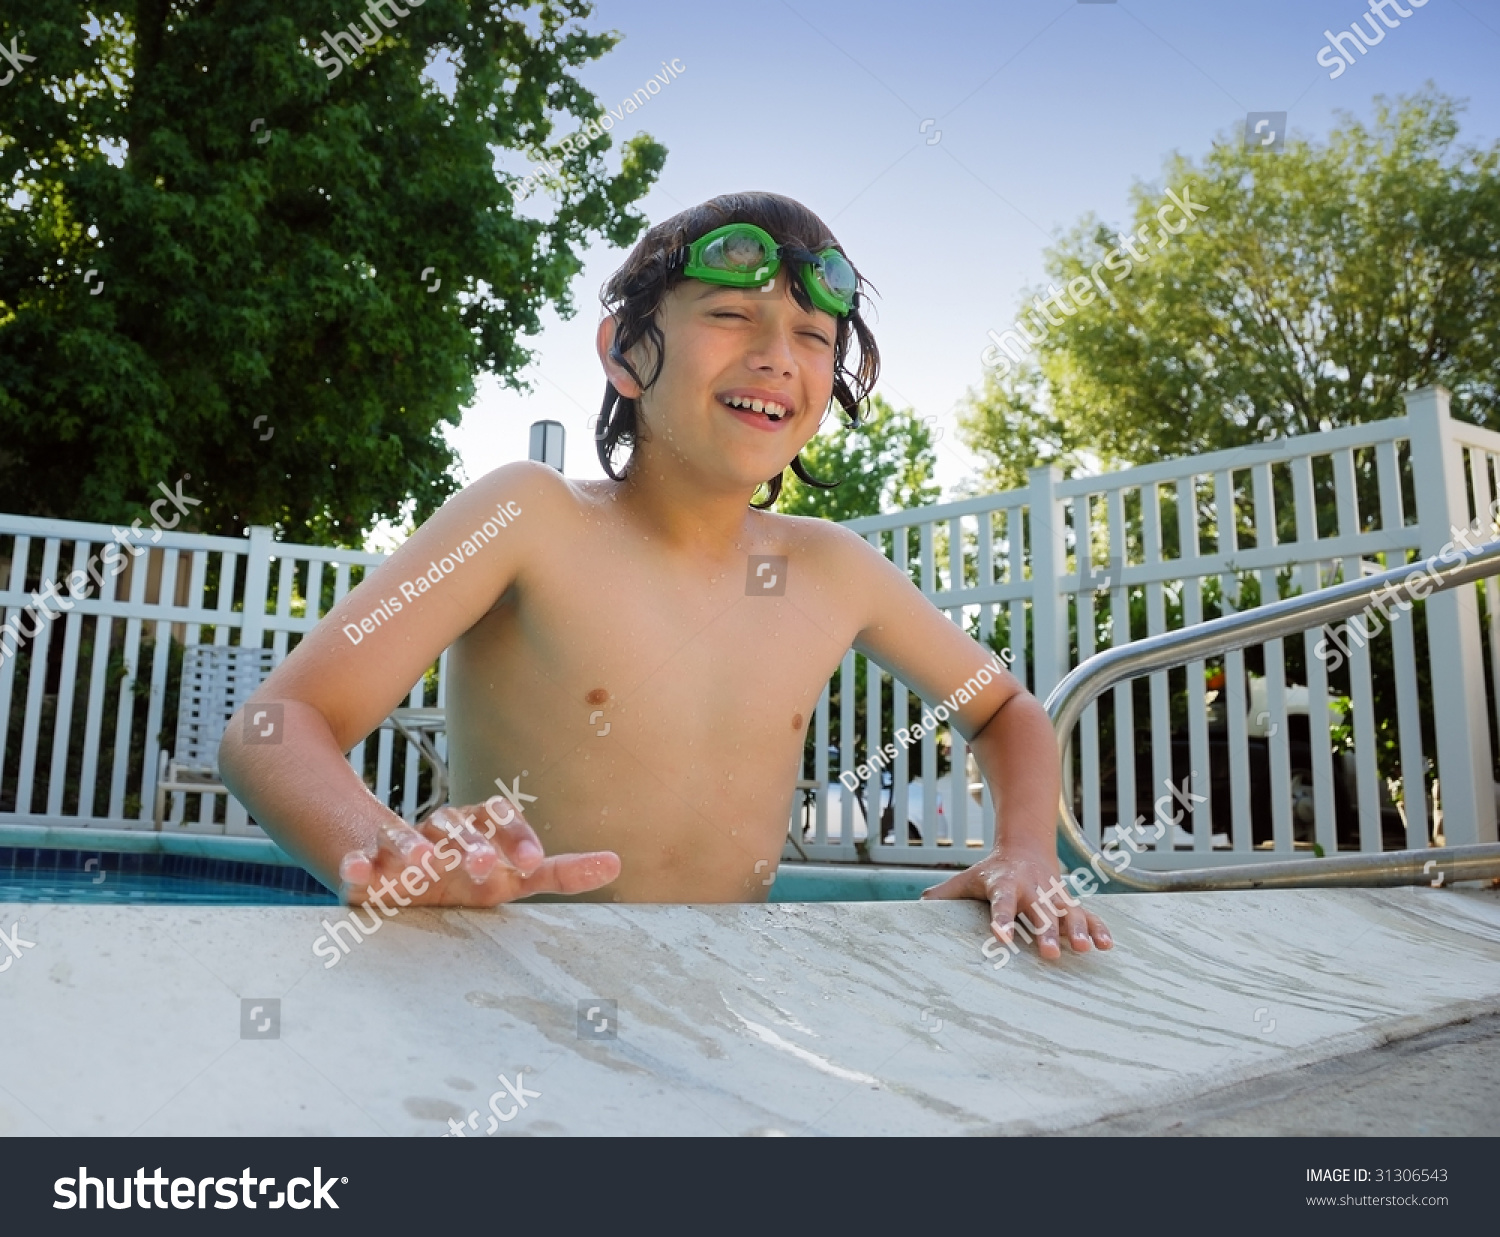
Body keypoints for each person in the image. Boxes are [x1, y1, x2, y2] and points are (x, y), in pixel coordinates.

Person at [219, 191, 1111, 959]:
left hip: (715, 1001)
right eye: (730, 316)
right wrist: (389, 849)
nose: (776, 355)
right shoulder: (529, 518)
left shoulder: (834, 569)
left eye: (811, 334)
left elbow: (1006, 711)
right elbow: (274, 724)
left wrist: (1026, 848)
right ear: (623, 353)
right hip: (504, 982)